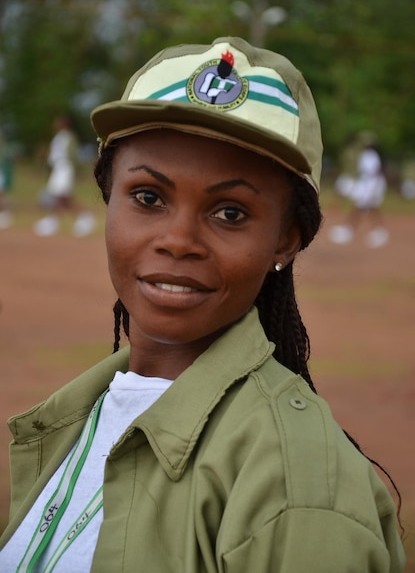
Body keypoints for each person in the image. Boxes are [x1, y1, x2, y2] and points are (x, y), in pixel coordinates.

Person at [0, 37, 405, 572]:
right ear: (108, 198)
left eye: (230, 212)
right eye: (148, 197)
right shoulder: (81, 415)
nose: (178, 240)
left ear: (286, 239)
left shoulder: (295, 486)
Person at [33, 115, 96, 237]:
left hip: (65, 169)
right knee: (59, 197)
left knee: (62, 197)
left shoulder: (69, 137)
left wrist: (77, 172)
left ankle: (80, 218)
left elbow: (73, 155)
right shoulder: (58, 137)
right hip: (57, 169)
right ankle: (58, 221)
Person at [328, 132, 389, 248]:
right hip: (368, 183)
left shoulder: (371, 155)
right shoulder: (367, 155)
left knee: (361, 207)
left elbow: (375, 173)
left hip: (372, 184)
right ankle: (378, 231)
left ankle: (349, 230)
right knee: (370, 208)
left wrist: (373, 189)